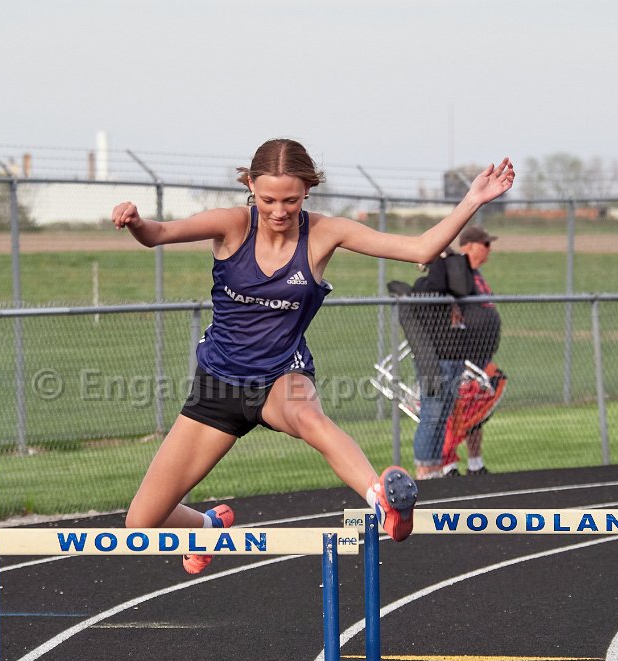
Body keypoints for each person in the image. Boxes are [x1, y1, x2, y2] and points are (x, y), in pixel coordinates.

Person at [111, 139, 514, 573]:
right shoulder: (231, 225)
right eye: (268, 200)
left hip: (281, 375)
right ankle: (208, 526)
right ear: (251, 185)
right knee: (141, 521)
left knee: (309, 418)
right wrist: (135, 221)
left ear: (307, 190)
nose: (279, 211)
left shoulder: (324, 233)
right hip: (218, 384)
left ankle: (381, 500)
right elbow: (157, 235)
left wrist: (473, 199)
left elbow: (420, 250)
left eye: (291, 200)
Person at [405, 225, 504, 479]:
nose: (489, 249)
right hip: (441, 356)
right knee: (435, 413)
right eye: (485, 244)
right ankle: (430, 467)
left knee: (449, 411)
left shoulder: (464, 274)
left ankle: (441, 466)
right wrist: (440, 256)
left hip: (460, 354)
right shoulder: (435, 279)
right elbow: (436, 287)